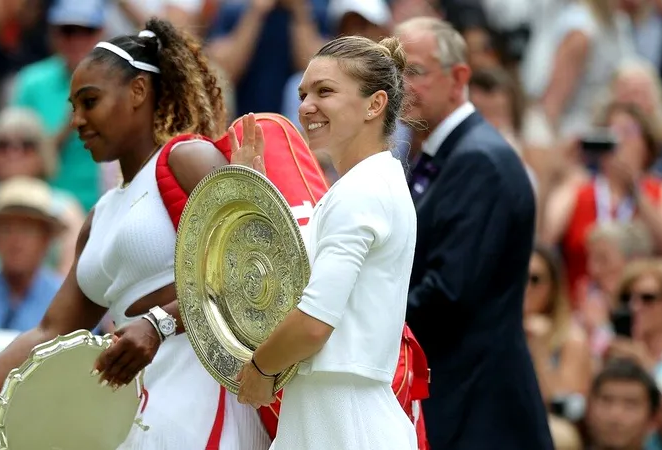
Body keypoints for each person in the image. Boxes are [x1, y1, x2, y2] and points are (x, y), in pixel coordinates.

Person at [0, 18, 271, 450]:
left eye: (89, 101)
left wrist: (159, 323)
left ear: (137, 93)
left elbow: (253, 265)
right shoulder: (98, 216)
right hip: (137, 414)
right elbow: (47, 334)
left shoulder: (187, 159)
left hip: (207, 396)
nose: (76, 120)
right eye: (73, 106)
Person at [235, 35, 418, 450]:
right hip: (333, 416)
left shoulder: (361, 191)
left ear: (375, 104)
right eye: (302, 94)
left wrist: (260, 372)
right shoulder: (364, 185)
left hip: (344, 424)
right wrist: (253, 195)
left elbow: (314, 323)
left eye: (325, 91)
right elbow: (293, 279)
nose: (305, 106)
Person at [395, 17, 553, 450]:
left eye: (415, 71)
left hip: (479, 410)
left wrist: (361, 315)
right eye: (393, 72)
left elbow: (448, 293)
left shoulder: (478, 160)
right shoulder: (444, 154)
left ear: (459, 77)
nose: (400, 85)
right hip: (458, 398)